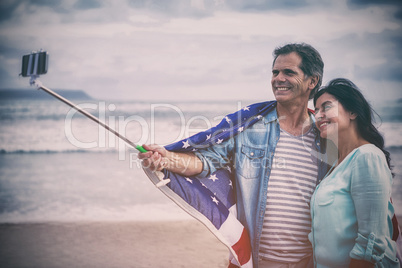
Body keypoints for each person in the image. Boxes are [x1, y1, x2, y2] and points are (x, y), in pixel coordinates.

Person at [139, 43, 331, 267]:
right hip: (258, 261)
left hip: (311, 261)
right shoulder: (250, 127)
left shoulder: (327, 137)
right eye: (275, 72)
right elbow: (205, 162)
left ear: (312, 81)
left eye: (289, 72)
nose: (278, 78)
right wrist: (166, 158)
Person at [311, 78, 400, 267]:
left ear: (352, 112)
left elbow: (370, 243)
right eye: (316, 110)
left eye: (326, 107)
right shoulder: (335, 163)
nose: (319, 115)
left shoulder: (367, 157)